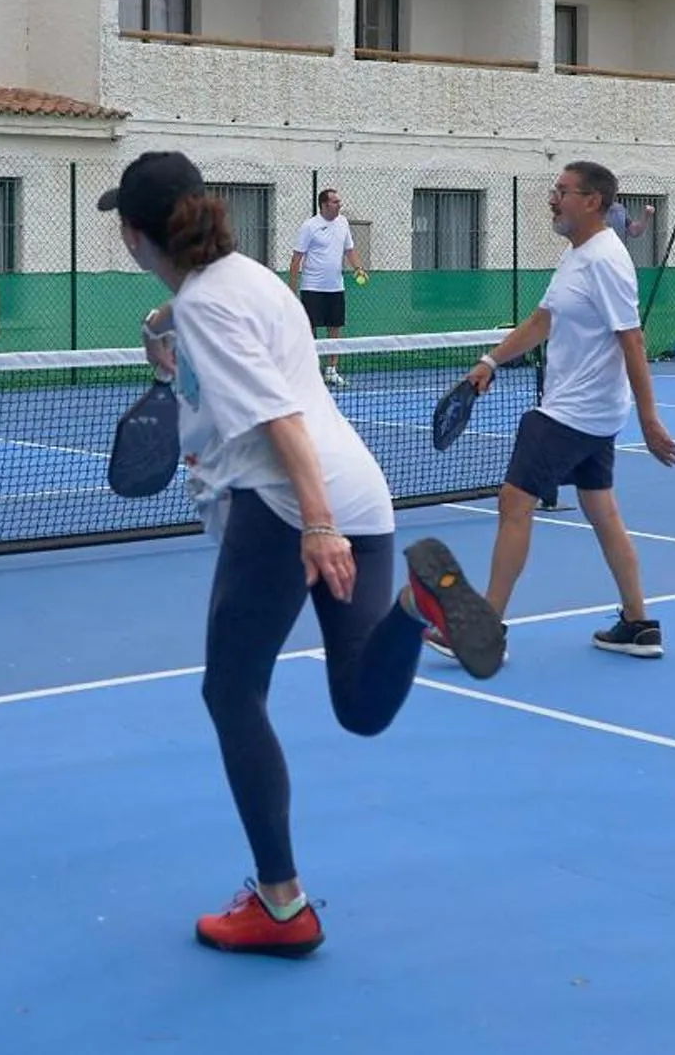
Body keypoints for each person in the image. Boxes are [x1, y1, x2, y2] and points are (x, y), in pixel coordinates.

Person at [102, 150, 504, 960]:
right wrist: (160, 328)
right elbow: (221, 336)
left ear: (136, 236)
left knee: (231, 691)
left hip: (290, 503)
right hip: (364, 492)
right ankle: (415, 608)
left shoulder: (207, 306)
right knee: (360, 704)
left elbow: (279, 416)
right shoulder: (248, 279)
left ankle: (281, 906)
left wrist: (316, 526)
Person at [444, 160, 675, 664]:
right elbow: (542, 321)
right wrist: (490, 361)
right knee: (602, 511)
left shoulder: (605, 261)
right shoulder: (577, 255)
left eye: (563, 191)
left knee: (514, 503)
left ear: (592, 201)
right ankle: (639, 624)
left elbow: (633, 340)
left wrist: (649, 419)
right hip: (592, 413)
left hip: (572, 411)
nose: (552, 198)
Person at [287, 188, 367, 386]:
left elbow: (349, 250)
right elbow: (296, 259)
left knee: (334, 328)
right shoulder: (309, 226)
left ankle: (331, 370)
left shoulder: (343, 223)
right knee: (309, 330)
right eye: (335, 202)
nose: (340, 205)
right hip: (312, 287)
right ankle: (307, 371)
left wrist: (358, 268)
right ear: (324, 205)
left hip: (336, 287)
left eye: (339, 201)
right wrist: (291, 291)